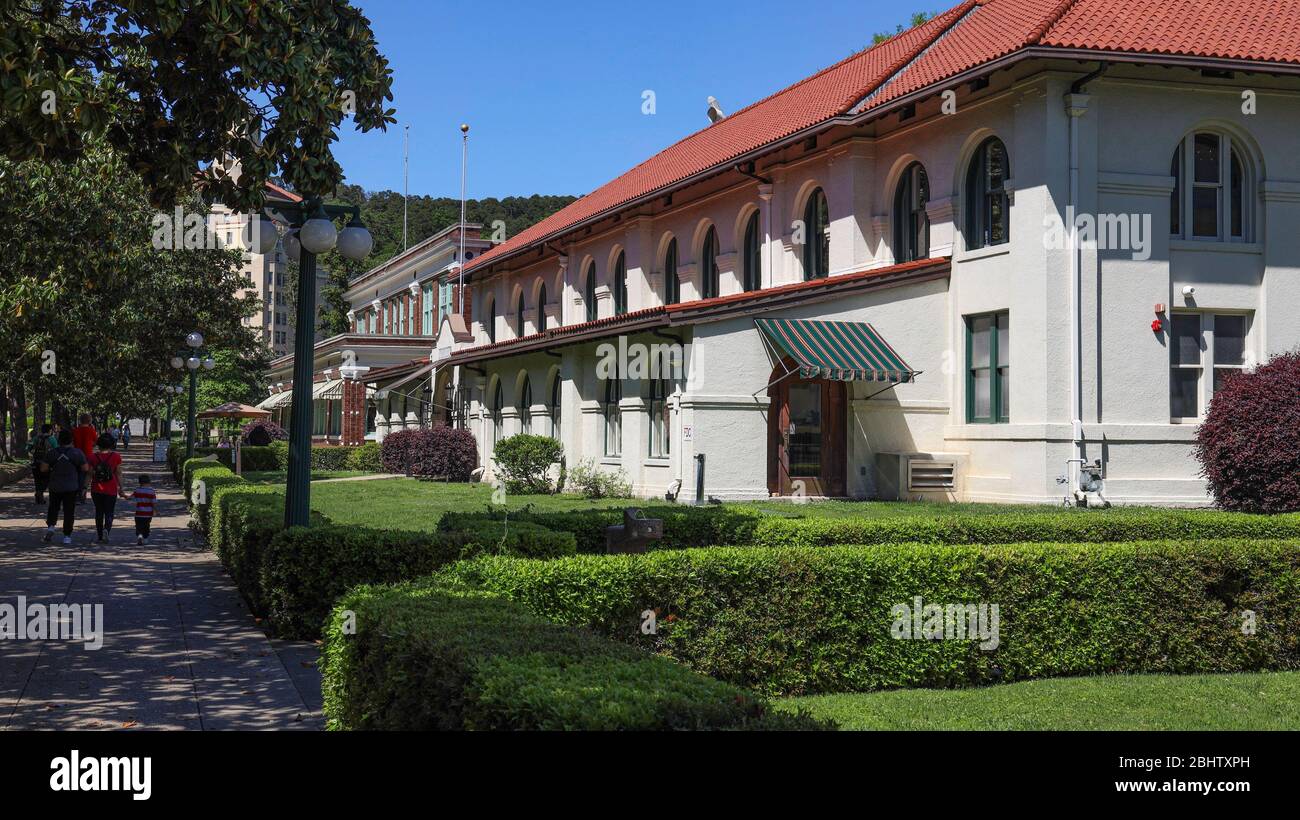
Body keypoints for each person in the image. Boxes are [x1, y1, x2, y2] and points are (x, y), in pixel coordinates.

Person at [41, 429, 88, 545]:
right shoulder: (77, 453)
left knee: (53, 507)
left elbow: (43, 468)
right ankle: (67, 536)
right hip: (71, 487)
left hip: (55, 485)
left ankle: (51, 527)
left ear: (58, 439)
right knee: (69, 511)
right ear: (71, 440)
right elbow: (85, 468)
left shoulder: (52, 453)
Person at [88, 433, 124, 543]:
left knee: (99, 511)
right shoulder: (116, 456)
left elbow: (89, 474)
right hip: (111, 488)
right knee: (109, 511)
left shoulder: (92, 457)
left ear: (98, 445)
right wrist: (121, 487)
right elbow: (118, 473)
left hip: (96, 488)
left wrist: (84, 487)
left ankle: (99, 535)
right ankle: (106, 530)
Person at [25, 424, 56, 505]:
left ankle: (39, 497)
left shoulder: (35, 438)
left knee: (37, 480)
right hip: (47, 463)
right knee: (47, 479)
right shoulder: (52, 439)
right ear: (50, 430)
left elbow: (27, 448)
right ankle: (39, 494)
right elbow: (56, 450)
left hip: (36, 462)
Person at [71, 414, 97, 502]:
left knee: (77, 474)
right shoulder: (91, 430)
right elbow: (96, 441)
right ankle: (82, 495)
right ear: (89, 421)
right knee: (86, 476)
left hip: (76, 455)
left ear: (80, 420)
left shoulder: (75, 430)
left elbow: (72, 443)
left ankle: (77, 494)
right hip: (88, 455)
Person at [129, 475, 156, 546]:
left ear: (140, 482)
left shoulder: (137, 490)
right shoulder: (151, 491)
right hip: (148, 513)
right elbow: (153, 502)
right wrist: (155, 510)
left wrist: (123, 495)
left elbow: (130, 498)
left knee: (138, 526)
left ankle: (139, 535)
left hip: (139, 513)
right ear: (148, 482)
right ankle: (145, 539)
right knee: (146, 526)